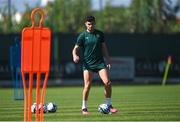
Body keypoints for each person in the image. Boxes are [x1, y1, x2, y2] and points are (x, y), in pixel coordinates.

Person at [72, 16, 118, 115]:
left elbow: (104, 48)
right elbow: (75, 49)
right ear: (85, 24)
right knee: (87, 85)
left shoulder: (100, 34)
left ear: (95, 23)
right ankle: (84, 108)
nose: (91, 26)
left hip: (100, 63)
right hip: (88, 64)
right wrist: (75, 55)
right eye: (89, 24)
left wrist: (108, 60)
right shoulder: (82, 36)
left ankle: (109, 106)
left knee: (108, 83)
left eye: (92, 23)